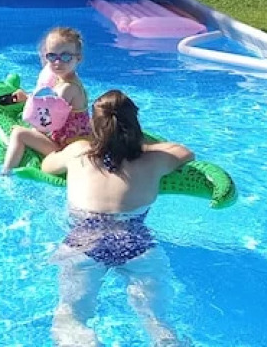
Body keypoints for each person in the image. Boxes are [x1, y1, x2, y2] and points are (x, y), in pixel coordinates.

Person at [40, 90, 194, 347]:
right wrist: (142, 145)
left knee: (71, 318)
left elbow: (46, 166)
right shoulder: (156, 160)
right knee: (158, 322)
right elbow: (185, 152)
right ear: (136, 125)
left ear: (93, 126)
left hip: (85, 243)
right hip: (137, 244)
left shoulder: (78, 152)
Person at [0, 27, 90, 174]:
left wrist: (28, 102)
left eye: (65, 56)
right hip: (71, 139)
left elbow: (46, 122)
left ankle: (5, 172)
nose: (58, 62)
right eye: (52, 56)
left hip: (65, 148)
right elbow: (49, 104)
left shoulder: (67, 88)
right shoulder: (64, 78)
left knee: (18, 133)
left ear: (78, 58)